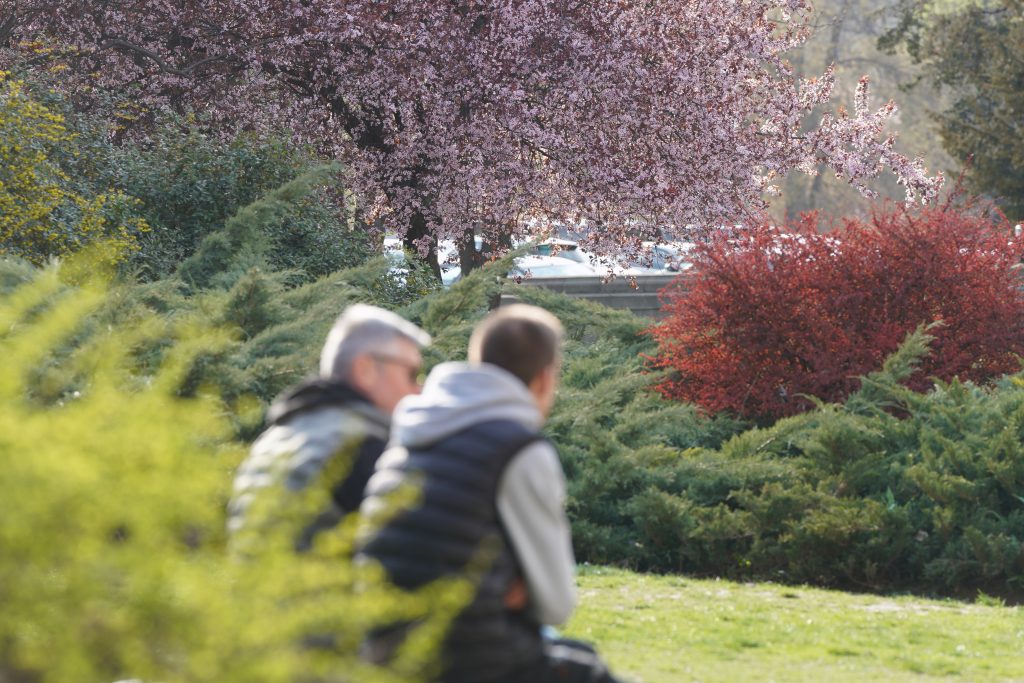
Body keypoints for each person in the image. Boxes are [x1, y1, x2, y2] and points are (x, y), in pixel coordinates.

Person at [357, 304, 624, 683]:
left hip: (383, 648)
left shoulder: (412, 433)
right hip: (464, 658)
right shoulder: (519, 449)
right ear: (546, 378)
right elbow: (556, 605)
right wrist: (511, 584)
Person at [227, 303, 430, 553]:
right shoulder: (361, 448)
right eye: (412, 373)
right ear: (365, 369)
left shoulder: (273, 438)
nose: (419, 389)